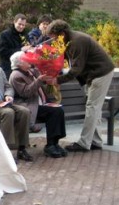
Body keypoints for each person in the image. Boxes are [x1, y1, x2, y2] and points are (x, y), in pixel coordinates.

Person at [46, 20, 115, 152]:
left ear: (62, 33)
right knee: (94, 108)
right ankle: (95, 141)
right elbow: (62, 57)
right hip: (95, 74)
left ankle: (84, 143)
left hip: (101, 73)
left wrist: (57, 80)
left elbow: (76, 69)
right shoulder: (69, 40)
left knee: (92, 107)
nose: (52, 39)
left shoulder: (77, 42)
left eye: (53, 36)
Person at [9, 51, 68, 158]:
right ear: (19, 64)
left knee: (58, 110)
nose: (29, 60)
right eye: (26, 59)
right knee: (53, 112)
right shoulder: (16, 75)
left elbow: (42, 76)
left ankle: (54, 143)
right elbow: (25, 93)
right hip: (28, 106)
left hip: (39, 104)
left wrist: (48, 71)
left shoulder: (30, 71)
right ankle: (50, 146)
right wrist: (39, 80)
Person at [0, 13, 33, 79]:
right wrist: (20, 50)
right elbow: (2, 52)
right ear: (14, 22)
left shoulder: (25, 35)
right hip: (9, 69)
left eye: (23, 25)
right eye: (19, 24)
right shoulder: (5, 35)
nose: (21, 27)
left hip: (24, 68)